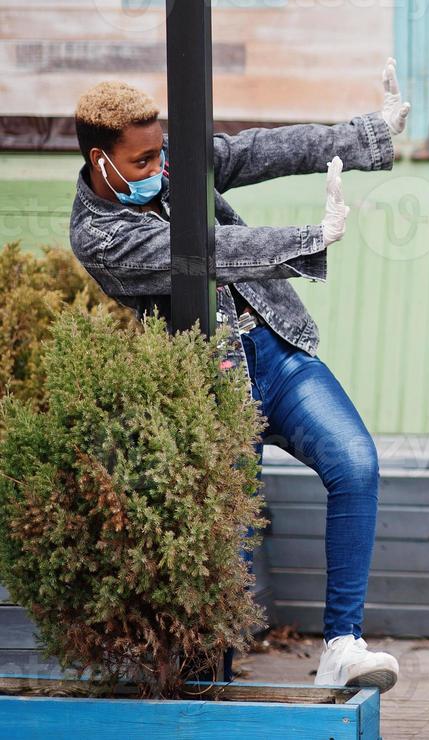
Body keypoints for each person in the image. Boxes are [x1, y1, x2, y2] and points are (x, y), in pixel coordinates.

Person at [67, 62, 407, 693]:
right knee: (232, 545)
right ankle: (207, 691)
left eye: (160, 152)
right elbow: (200, 255)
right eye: (140, 161)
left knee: (355, 463)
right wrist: (312, 236)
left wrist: (368, 137)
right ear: (99, 158)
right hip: (208, 384)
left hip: (275, 352)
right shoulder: (98, 235)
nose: (157, 168)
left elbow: (258, 150)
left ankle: (340, 645)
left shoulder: (166, 163)